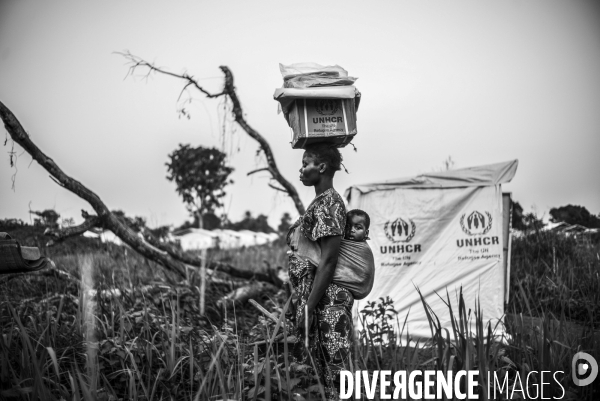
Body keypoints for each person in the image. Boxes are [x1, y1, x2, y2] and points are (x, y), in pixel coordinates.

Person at [286, 142, 351, 400]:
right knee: (317, 373)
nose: (300, 170)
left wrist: (308, 308)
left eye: (305, 164)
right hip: (319, 299)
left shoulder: (330, 203)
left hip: (328, 302)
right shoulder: (321, 201)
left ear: (321, 167)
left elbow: (328, 261)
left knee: (334, 373)